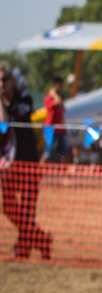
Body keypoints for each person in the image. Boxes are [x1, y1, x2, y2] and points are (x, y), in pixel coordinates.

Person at [0, 64, 52, 258]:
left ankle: (24, 246)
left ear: (12, 82)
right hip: (8, 166)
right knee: (9, 207)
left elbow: (6, 124)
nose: (1, 84)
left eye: (4, 80)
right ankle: (42, 240)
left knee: (27, 212)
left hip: (29, 163)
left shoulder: (25, 101)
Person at [41, 76, 67, 163]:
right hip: (50, 128)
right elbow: (56, 103)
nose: (62, 87)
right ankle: (38, 169)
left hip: (60, 128)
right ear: (55, 85)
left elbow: (62, 109)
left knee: (63, 152)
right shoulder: (49, 98)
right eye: (60, 85)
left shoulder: (59, 97)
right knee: (47, 152)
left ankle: (64, 174)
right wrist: (54, 95)